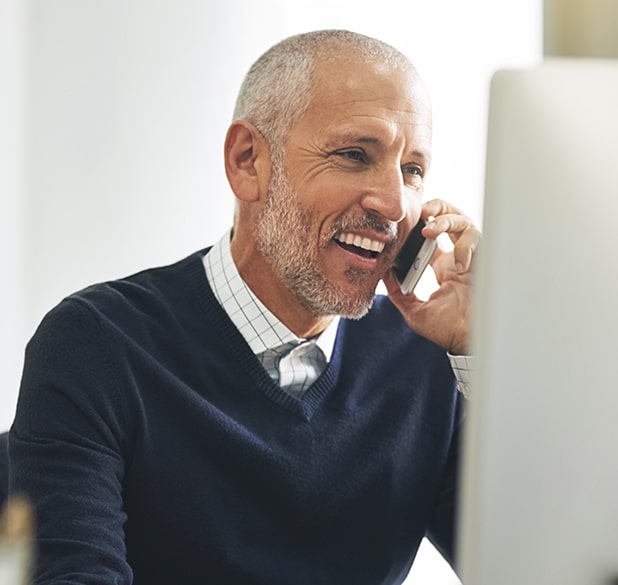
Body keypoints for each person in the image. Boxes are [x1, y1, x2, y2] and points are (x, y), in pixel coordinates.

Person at [9, 29, 480, 584]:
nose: (395, 203)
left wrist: (482, 357)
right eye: (355, 155)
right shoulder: (95, 346)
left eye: (413, 170)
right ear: (247, 161)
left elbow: (536, 565)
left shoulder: (426, 361)